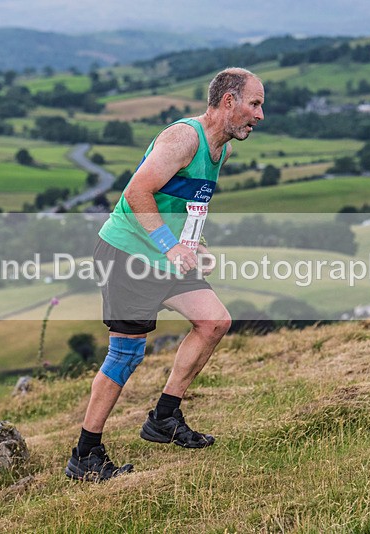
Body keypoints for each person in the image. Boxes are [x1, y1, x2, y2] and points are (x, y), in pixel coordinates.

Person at [64, 67, 265, 481]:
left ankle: (163, 418)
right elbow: (136, 192)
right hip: (128, 252)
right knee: (126, 354)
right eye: (255, 103)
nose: (260, 114)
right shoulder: (184, 137)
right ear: (229, 101)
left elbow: (189, 205)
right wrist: (169, 246)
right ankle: (85, 455)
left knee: (213, 322)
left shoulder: (220, 147)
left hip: (166, 255)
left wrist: (196, 244)